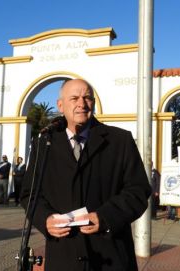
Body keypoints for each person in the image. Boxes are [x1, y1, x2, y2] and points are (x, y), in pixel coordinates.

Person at [20, 79, 151, 271]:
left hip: (111, 255)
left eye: (87, 97)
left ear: (93, 104)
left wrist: (106, 217)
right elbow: (29, 194)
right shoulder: (44, 144)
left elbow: (138, 190)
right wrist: (45, 219)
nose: (82, 103)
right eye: (74, 98)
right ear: (60, 105)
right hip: (63, 256)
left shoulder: (120, 140)